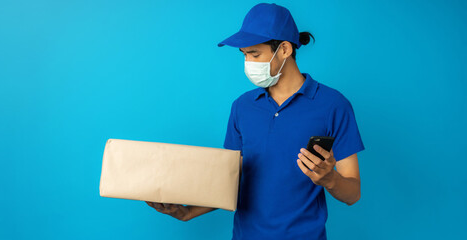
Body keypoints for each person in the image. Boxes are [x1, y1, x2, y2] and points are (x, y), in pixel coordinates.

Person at [145, 3, 365, 239]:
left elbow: (353, 193)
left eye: (255, 54)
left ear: (284, 50)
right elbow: (230, 179)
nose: (248, 63)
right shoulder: (242, 107)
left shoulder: (333, 105)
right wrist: (189, 212)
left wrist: (329, 178)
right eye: (244, 55)